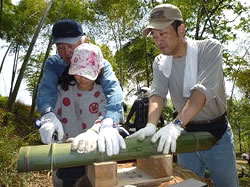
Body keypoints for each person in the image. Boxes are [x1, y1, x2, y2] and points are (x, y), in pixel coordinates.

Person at [128, 4, 239, 187]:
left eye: (163, 34)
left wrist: (176, 125)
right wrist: (150, 125)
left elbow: (200, 93)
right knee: (187, 184)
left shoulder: (209, 49)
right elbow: (157, 95)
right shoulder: (161, 62)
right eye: (155, 36)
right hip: (186, 134)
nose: (158, 41)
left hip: (216, 133)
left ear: (181, 29)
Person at [37, 19, 126, 156]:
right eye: (61, 47)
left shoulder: (100, 63)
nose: (66, 52)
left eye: (71, 46)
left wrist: (109, 122)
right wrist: (48, 115)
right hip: (67, 135)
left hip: (94, 134)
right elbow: (46, 91)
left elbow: (114, 92)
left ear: (84, 41)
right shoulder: (54, 65)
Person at [50, 43, 126, 186]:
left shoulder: (102, 93)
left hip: (96, 155)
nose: (82, 78)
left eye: (87, 73)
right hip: (67, 154)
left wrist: (94, 131)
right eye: (79, 72)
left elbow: (107, 114)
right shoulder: (62, 90)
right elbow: (54, 115)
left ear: (98, 71)